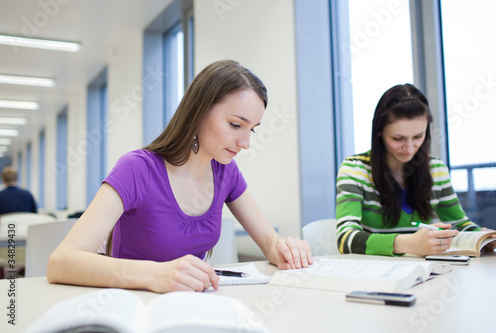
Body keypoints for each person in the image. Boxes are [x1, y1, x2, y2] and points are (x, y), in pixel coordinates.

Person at [47, 60, 313, 293]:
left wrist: (284, 248)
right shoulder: (137, 169)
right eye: (235, 125)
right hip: (131, 310)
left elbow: (268, 242)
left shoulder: (226, 171)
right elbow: (61, 262)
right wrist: (154, 274)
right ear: (199, 111)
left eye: (251, 130)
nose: (245, 143)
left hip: (188, 309)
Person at [335, 83, 496, 256]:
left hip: (427, 274)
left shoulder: (436, 169)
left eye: (418, 136)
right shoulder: (354, 169)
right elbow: (346, 239)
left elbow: (460, 224)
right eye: (398, 138)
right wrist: (408, 243)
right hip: (374, 274)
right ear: (379, 132)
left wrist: (482, 237)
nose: (410, 147)